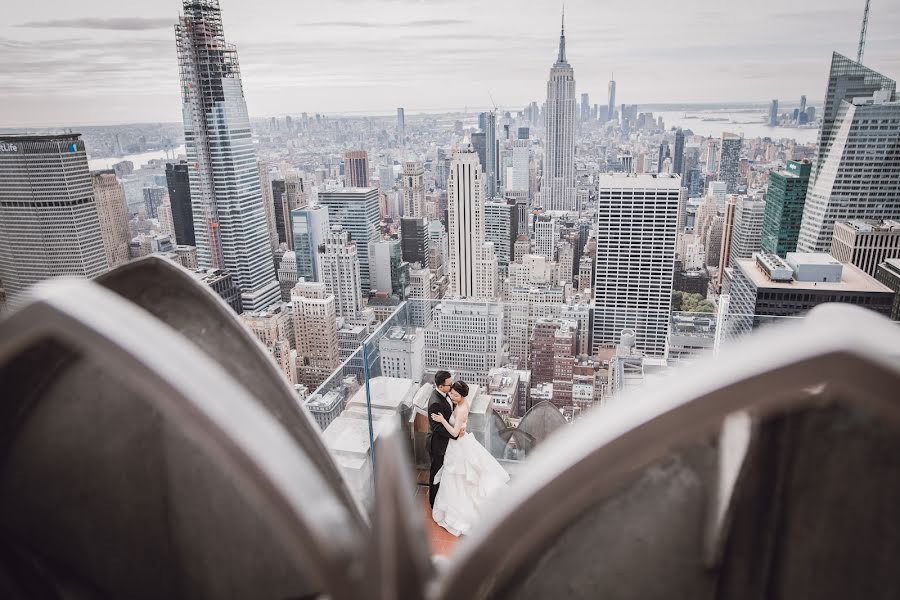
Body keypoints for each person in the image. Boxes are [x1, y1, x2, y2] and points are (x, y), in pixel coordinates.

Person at [431, 380, 510, 536]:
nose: (452, 396)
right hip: (459, 444)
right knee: (456, 478)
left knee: (458, 477)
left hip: (457, 445)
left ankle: (461, 511)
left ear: (462, 396)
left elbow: (454, 433)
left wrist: (442, 421)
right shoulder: (460, 404)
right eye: (452, 393)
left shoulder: (461, 410)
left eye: (455, 395)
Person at [428, 371, 456, 507]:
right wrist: (454, 434)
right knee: (436, 472)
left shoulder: (445, 394)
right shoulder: (435, 402)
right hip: (438, 444)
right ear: (440, 386)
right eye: (449, 385)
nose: (452, 386)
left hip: (447, 441)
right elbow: (436, 427)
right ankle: (433, 502)